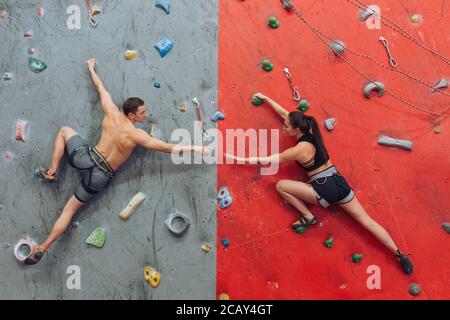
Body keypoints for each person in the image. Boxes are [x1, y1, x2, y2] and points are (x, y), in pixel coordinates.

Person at [26, 58, 208, 265]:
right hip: (100, 177)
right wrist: (196, 148)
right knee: (70, 210)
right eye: (142, 113)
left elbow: (100, 87)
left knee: (65, 131)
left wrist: (90, 68)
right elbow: (168, 148)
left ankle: (52, 172)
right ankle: (44, 246)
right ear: (131, 114)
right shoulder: (136, 135)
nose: (145, 115)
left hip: (86, 158)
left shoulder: (111, 111)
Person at [225, 93, 413, 275]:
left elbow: (264, 161)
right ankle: (399, 254)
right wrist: (266, 99)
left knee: (281, 185)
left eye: (286, 127)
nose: (283, 128)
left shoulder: (298, 150)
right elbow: (286, 114)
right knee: (367, 222)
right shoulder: (311, 129)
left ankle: (308, 216)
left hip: (324, 189)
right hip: (340, 183)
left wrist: (235, 158)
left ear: (296, 130)